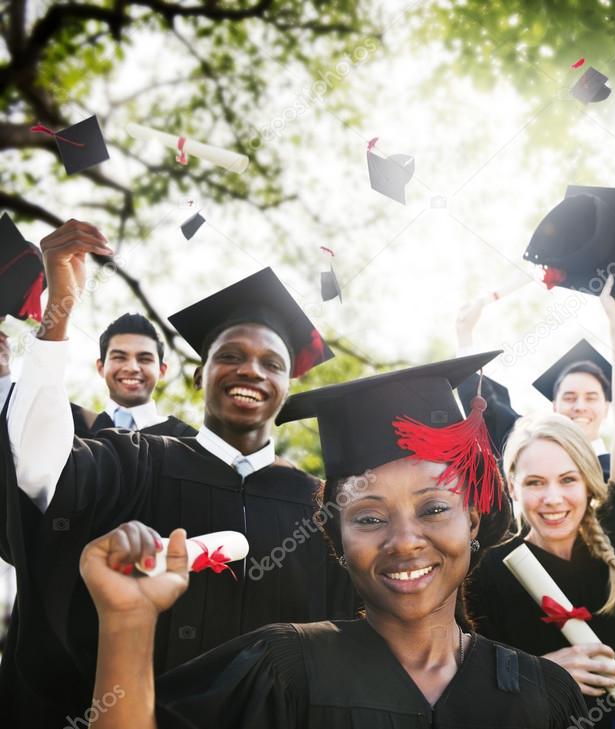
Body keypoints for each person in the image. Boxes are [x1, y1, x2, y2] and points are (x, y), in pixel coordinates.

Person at [80, 351, 587, 728]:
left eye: (434, 508)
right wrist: (127, 623)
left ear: (473, 521)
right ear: (336, 537)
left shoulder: (545, 696)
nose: (405, 541)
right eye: (369, 518)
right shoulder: (282, 670)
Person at [0, 220, 353, 728]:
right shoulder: (134, 461)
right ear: (198, 374)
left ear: (285, 386)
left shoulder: (318, 508)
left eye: (271, 363)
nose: (250, 370)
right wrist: (59, 312)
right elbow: (37, 465)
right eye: (229, 355)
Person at [465, 279, 615, 728]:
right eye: (535, 482)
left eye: (568, 480)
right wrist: (541, 673)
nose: (553, 498)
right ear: (514, 487)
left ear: (590, 483)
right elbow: (472, 686)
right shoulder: (490, 573)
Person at [456, 298, 614, 479]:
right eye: (569, 397)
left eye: (591, 397)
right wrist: (464, 335)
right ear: (555, 407)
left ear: (606, 408)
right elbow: (487, 409)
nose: (579, 406)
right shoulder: (527, 441)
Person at [70, 313, 197, 437]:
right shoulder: (73, 429)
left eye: (145, 359)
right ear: (101, 367)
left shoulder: (186, 440)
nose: (132, 368)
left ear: (161, 370)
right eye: (119, 357)